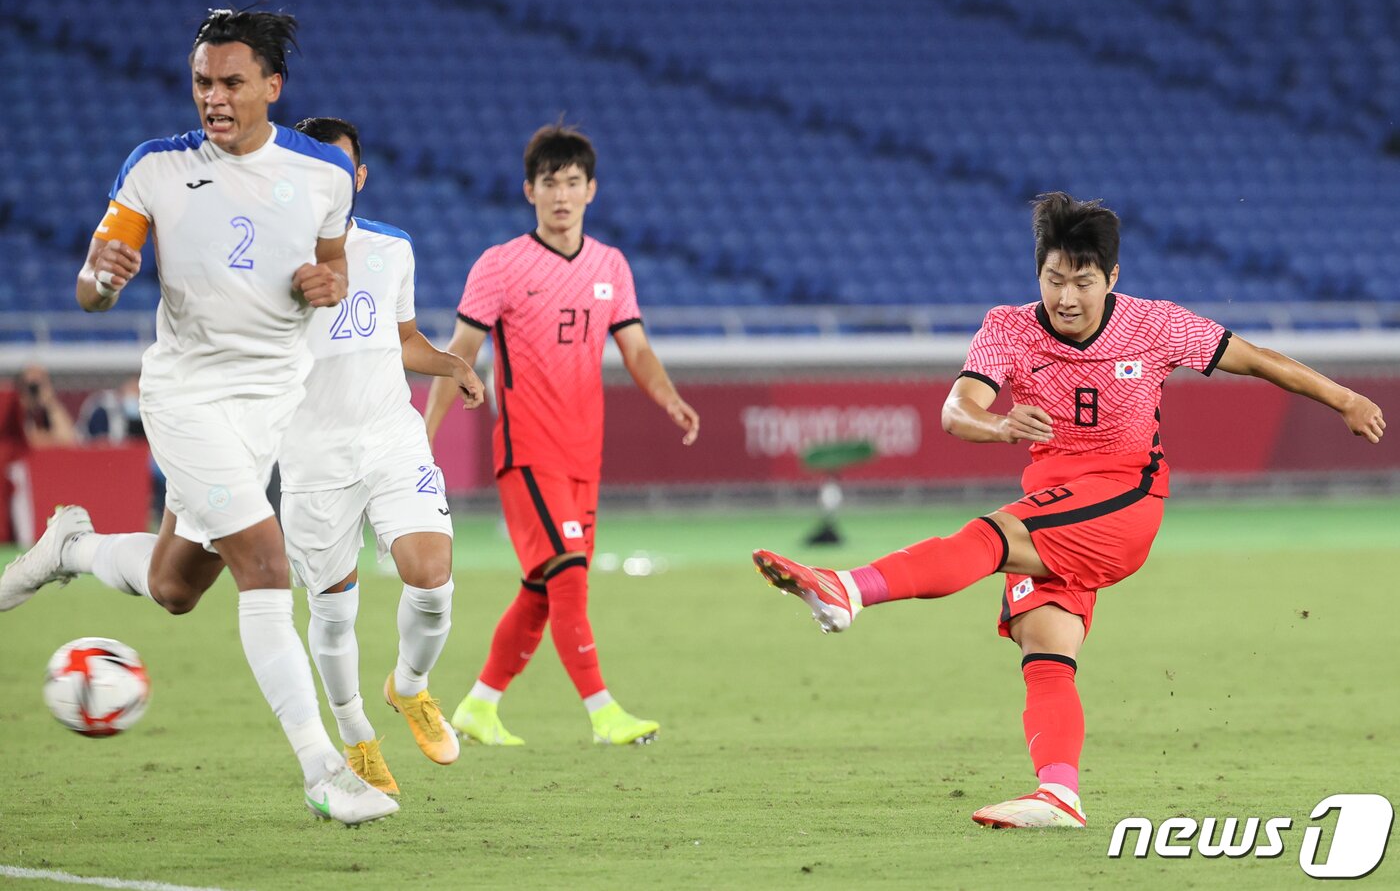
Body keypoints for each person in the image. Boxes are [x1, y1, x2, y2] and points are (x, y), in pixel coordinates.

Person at [753, 192, 1386, 829]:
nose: (1067, 297)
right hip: (1055, 507)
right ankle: (1059, 794)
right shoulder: (1008, 328)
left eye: (1083, 281)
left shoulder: (1156, 324)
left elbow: (1258, 360)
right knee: (1045, 650)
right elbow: (955, 410)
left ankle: (847, 589)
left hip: (1125, 499)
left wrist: (1345, 399)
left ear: (1112, 279)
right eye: (1055, 279)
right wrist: (1000, 427)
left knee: (992, 536)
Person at [0, 9, 398, 825]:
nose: (213, 98)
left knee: (176, 586)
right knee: (265, 563)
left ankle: (71, 545)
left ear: (271, 87)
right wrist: (104, 279)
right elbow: (91, 284)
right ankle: (324, 769)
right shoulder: (155, 168)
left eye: (231, 82)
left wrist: (324, 283)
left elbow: (332, 263)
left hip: (268, 405)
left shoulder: (322, 170)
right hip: (185, 396)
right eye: (201, 83)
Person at [424, 124, 700, 747]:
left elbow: (637, 349)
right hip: (528, 454)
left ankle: (478, 707)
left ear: (591, 190)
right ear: (529, 191)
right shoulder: (499, 266)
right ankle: (605, 714)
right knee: (570, 575)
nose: (561, 195)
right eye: (550, 183)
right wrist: (425, 436)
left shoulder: (611, 265)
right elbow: (457, 355)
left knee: (542, 591)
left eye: (573, 183)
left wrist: (669, 398)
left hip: (584, 456)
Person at [281, 116, 485, 795]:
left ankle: (411, 684)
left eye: (342, 169)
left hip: (390, 433)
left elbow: (402, 339)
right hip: (312, 453)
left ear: (359, 177)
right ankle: (356, 735)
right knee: (333, 612)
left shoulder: (392, 247)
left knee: (432, 576)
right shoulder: (266, 260)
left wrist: (451, 362)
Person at [15, 365, 78, 448]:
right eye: (30, 386)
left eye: (38, 384)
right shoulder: (14, 413)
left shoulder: (52, 410)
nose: (34, 390)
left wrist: (50, 402)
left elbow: (70, 440)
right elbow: (18, 441)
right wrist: (21, 403)